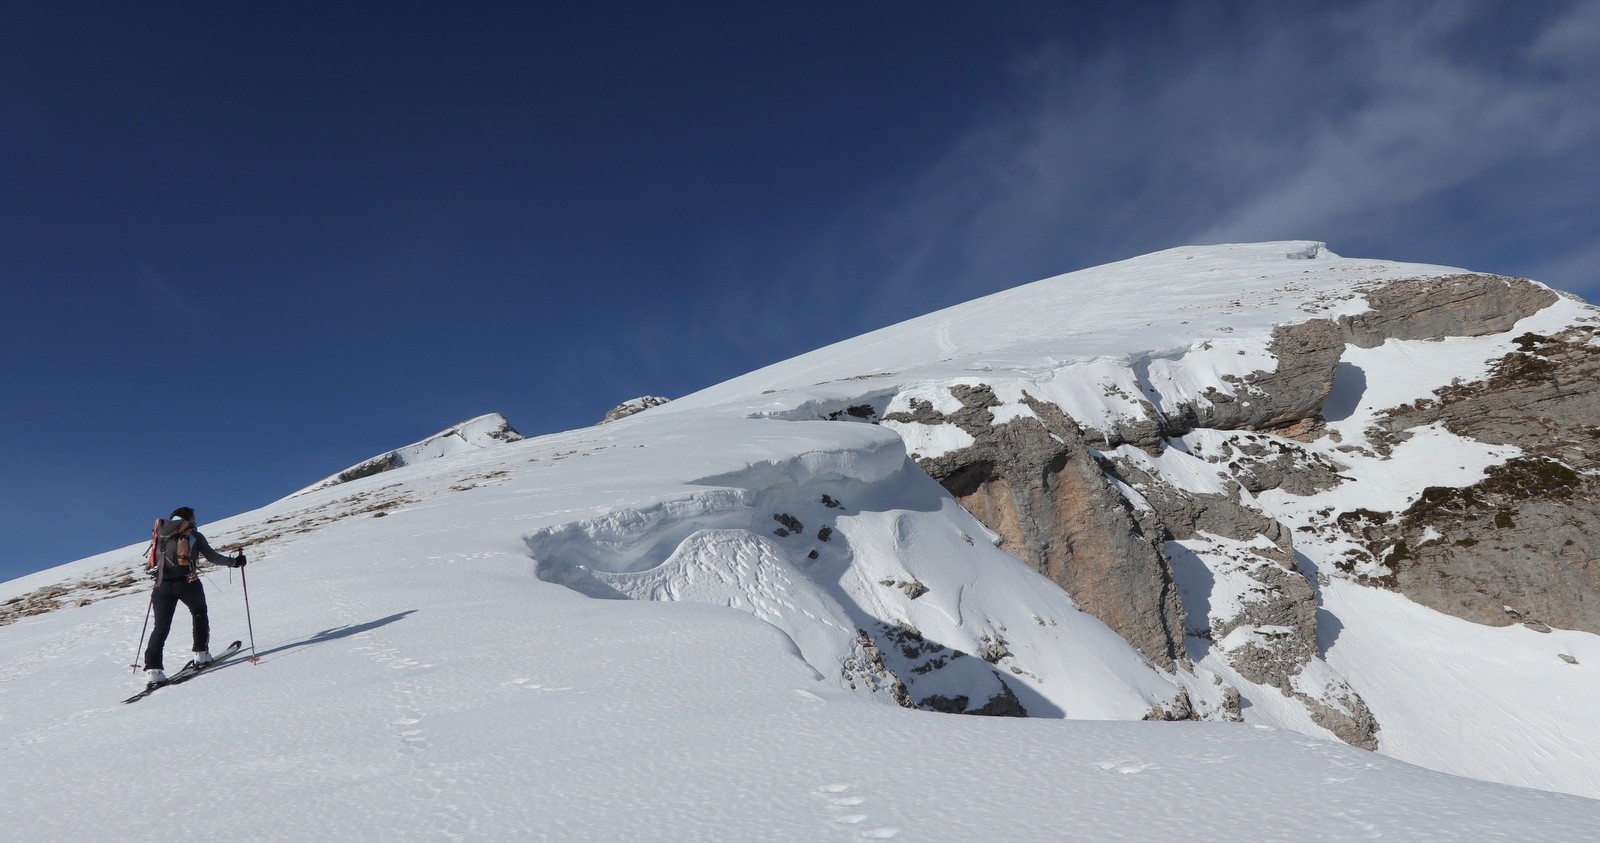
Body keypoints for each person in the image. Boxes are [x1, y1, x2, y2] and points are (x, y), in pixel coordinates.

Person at [142, 506, 246, 687]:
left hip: (161, 586)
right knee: (199, 613)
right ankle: (201, 654)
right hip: (187, 583)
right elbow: (212, 557)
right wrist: (234, 562)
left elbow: (149, 563)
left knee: (160, 627)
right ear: (188, 518)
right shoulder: (194, 535)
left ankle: (153, 671)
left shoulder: (160, 534)